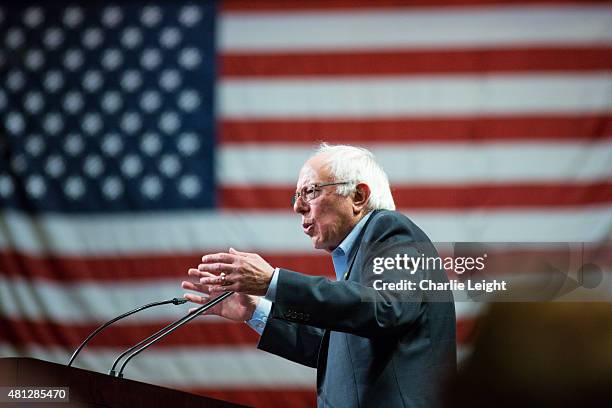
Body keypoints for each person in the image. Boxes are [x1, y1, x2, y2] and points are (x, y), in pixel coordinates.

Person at [182, 143, 456, 407]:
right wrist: (255, 311)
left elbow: (387, 308)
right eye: (296, 195)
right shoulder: (358, 261)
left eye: (310, 191)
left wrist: (273, 281)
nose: (297, 207)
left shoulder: (390, 229)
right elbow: (336, 350)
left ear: (358, 197)